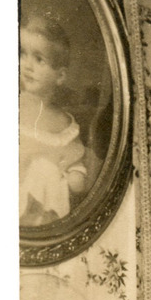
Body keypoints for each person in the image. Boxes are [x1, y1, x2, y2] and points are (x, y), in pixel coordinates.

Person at [20, 12, 95, 226]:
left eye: (39, 59)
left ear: (60, 76)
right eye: (23, 54)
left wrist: (75, 174)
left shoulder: (64, 124)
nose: (27, 65)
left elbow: (75, 162)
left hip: (45, 216)